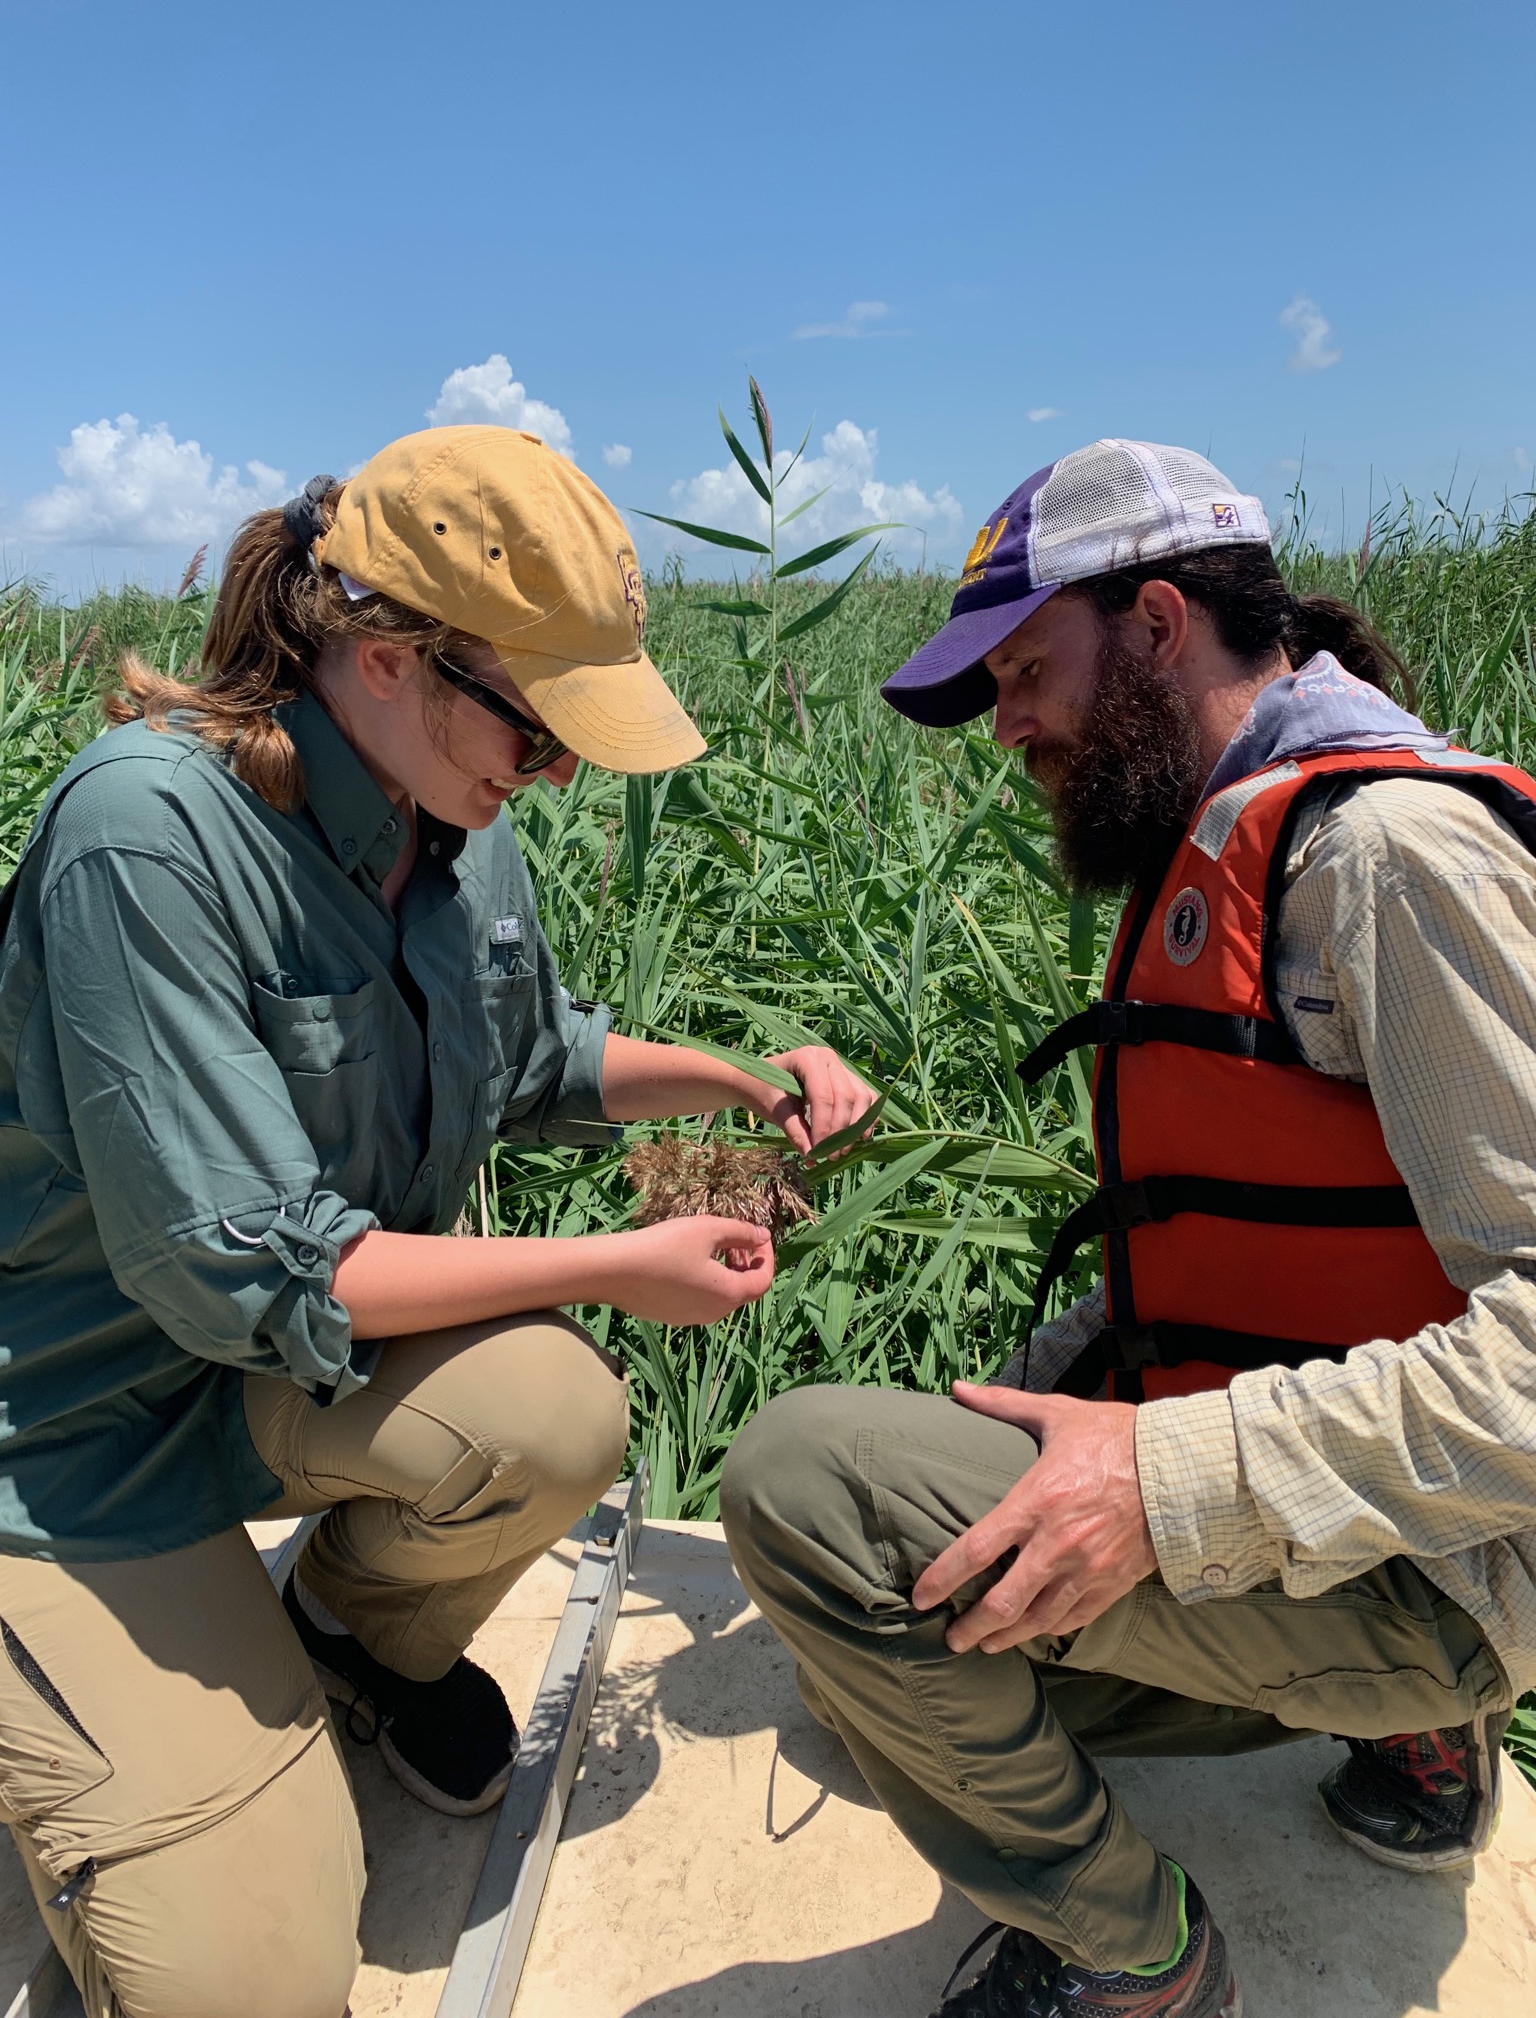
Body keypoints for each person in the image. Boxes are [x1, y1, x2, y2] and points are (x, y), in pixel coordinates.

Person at [0, 424, 876, 2018]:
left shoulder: (455, 823)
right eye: (537, 732)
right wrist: (623, 1263)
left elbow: (535, 1052)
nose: (548, 774)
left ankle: (348, 1636)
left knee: (546, 1410)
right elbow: (243, 1261)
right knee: (246, 1984)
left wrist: (740, 1086)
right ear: (389, 658)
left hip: (265, 1372)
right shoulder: (147, 838)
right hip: (68, 1441)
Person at [721, 439, 1536, 2018]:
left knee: (810, 1495)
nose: (1008, 725)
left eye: (1028, 672)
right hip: (1349, 1508)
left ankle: (1134, 1957)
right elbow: (1243, 1255)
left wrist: (1159, 1485)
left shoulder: (1388, 861)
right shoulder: (1240, 832)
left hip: (1440, 1565)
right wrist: (1062, 1409)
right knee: (878, 1673)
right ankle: (1411, 1746)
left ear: (1161, 626)